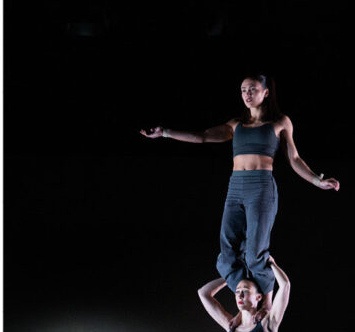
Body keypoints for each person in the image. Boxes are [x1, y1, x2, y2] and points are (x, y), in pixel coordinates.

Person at [140, 73, 339, 297]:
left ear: (266, 93)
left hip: (261, 188)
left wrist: (316, 180)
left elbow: (294, 159)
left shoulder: (280, 122)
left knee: (255, 253)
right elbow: (203, 136)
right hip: (235, 187)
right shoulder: (236, 125)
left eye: (252, 89)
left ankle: (266, 301)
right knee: (227, 253)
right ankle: (246, 296)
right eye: (243, 90)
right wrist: (165, 132)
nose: (247, 94)